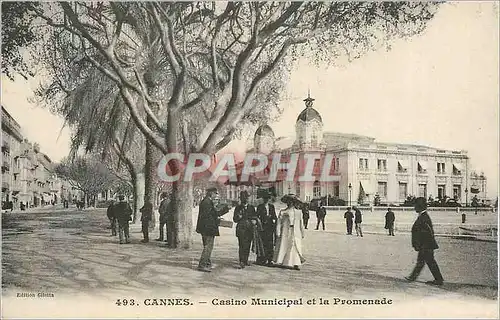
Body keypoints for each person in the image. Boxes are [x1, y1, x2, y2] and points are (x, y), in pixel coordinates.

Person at [405, 197, 444, 286]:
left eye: (415, 205)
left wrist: (421, 245)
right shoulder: (422, 216)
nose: (414, 207)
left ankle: (439, 280)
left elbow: (428, 232)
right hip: (425, 245)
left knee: (429, 262)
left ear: (419, 206)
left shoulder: (424, 217)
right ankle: (413, 277)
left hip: (426, 245)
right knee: (422, 262)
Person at [195, 188, 230, 272]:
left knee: (207, 246)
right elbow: (213, 215)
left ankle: (207, 263)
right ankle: (202, 265)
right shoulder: (207, 202)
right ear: (211, 193)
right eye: (215, 193)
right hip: (208, 228)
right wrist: (226, 209)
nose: (216, 195)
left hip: (205, 228)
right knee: (208, 247)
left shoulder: (205, 201)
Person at [274, 194, 305, 270]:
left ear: (294, 202)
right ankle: (284, 261)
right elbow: (278, 223)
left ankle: (296, 263)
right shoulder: (283, 212)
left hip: (295, 231)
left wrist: (302, 232)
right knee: (285, 245)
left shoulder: (298, 212)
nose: (290, 203)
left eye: (292, 201)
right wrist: (278, 232)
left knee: (294, 246)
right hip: (285, 231)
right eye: (289, 201)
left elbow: (301, 224)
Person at [233, 191, 261, 269]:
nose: (246, 199)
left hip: (249, 229)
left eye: (247, 197)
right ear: (241, 198)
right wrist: (239, 216)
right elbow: (234, 219)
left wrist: (254, 221)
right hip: (241, 229)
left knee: (248, 245)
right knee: (242, 245)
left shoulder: (251, 207)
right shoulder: (238, 208)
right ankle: (241, 261)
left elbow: (255, 216)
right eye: (244, 197)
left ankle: (245, 260)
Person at [256, 191, 277, 266]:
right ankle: (262, 259)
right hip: (262, 228)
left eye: (268, 198)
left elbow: (275, 216)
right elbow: (257, 217)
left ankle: (270, 260)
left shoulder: (271, 207)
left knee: (270, 244)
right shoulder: (260, 207)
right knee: (262, 244)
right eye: (265, 198)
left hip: (270, 228)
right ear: (263, 199)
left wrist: (273, 219)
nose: (266, 200)